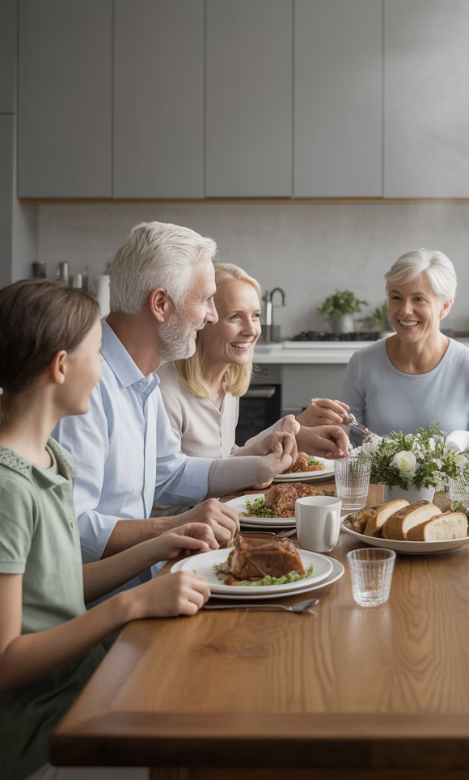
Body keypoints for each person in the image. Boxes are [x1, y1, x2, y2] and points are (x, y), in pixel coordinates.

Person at [0, 281, 215, 780]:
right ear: (59, 367)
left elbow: (51, 589)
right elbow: (6, 661)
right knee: (204, 758)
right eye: (96, 354)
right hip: (39, 734)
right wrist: (131, 604)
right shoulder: (8, 487)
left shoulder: (50, 462)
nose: (103, 369)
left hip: (83, 688)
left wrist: (161, 543)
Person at [51, 222, 300, 594]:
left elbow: (168, 474)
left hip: (152, 581)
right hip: (102, 605)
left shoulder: (143, 376)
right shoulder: (87, 383)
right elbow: (74, 527)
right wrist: (172, 526)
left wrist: (259, 466)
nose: (212, 316)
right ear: (161, 304)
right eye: (205, 300)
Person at [158, 262, 347, 463]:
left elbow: (225, 461)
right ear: (201, 321)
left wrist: (294, 431)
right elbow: (169, 483)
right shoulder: (165, 393)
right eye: (235, 316)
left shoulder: (227, 383)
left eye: (255, 316)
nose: (251, 330)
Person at [332, 249, 469, 453]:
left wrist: (465, 439)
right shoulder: (362, 363)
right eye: (396, 297)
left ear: (444, 307)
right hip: (379, 485)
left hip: (449, 486)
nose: (405, 310)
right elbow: (350, 441)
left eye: (418, 299)